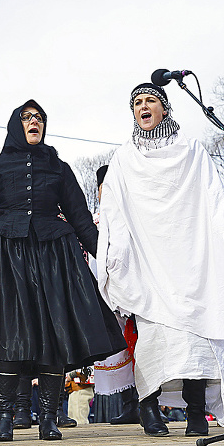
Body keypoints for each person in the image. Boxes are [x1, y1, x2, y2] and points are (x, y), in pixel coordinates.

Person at [0, 101, 126, 442]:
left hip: (54, 256)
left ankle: (48, 418)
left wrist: (109, 255)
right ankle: (5, 417)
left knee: (52, 334)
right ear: (16, 125)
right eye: (27, 118)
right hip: (8, 256)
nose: (35, 122)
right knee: (10, 333)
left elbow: (81, 220)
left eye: (40, 118)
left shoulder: (58, 167)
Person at [98, 83, 224, 438]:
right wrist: (114, 252)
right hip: (147, 260)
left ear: (164, 109)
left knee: (195, 334)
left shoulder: (191, 150)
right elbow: (112, 208)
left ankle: (196, 411)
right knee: (154, 338)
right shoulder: (124, 158)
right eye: (137, 103)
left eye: (150, 100)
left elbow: (213, 195)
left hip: (190, 258)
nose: (143, 106)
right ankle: (148, 405)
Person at [89, 164, 140, 426]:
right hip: (102, 297)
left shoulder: (131, 219)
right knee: (115, 352)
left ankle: (143, 403)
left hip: (130, 295)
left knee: (136, 349)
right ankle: (129, 404)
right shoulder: (92, 223)